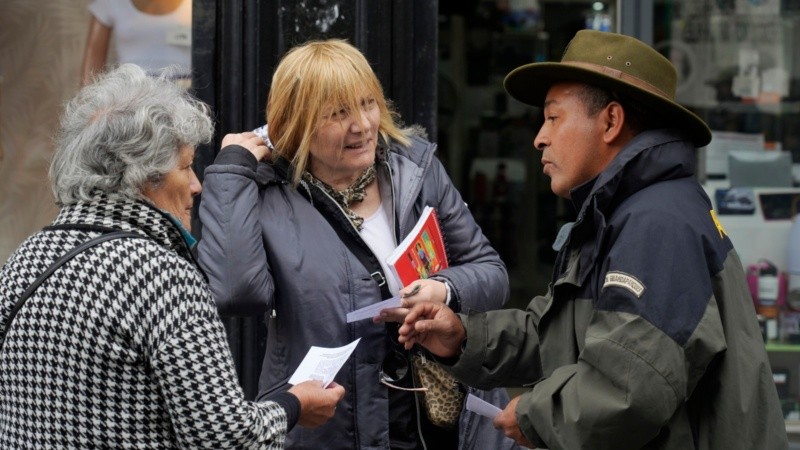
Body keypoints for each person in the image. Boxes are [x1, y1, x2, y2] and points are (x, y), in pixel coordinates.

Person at [398, 30, 789, 450]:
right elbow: (559, 335)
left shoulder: (657, 221)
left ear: (610, 122)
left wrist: (535, 415)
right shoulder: (621, 212)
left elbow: (629, 389)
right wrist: (463, 337)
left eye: (553, 117)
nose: (539, 137)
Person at [197, 39, 520, 450]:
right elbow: (235, 292)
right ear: (296, 121)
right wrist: (230, 173)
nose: (363, 125)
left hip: (447, 419)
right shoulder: (269, 196)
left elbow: (491, 273)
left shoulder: (415, 170)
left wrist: (443, 289)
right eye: (339, 113)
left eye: (368, 104)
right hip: (334, 426)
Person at [0, 64, 344, 448]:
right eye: (186, 166)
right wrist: (294, 404)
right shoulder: (161, 276)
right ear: (145, 177)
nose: (196, 185)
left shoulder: (23, 261)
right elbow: (225, 440)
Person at [80, 0, 192, 87]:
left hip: (186, 92)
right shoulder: (111, 3)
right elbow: (93, 59)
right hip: (130, 93)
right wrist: (88, 101)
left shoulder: (196, 5)